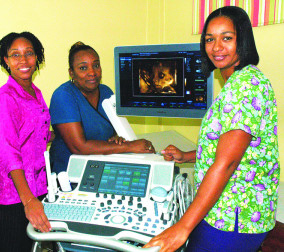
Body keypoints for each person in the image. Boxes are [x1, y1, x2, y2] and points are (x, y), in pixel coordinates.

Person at [144, 6, 280, 252]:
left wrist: (182, 227)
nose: (216, 47)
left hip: (232, 216)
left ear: (243, 40)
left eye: (226, 38)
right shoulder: (239, 81)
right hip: (226, 209)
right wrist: (187, 156)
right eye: (209, 39)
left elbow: (227, 163)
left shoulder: (245, 87)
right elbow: (233, 148)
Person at [0, 32, 53, 252]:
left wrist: (59, 134)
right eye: (15, 55)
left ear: (37, 58)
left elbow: (34, 135)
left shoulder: (35, 92)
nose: (23, 61)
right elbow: (9, 149)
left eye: (29, 53)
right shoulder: (6, 96)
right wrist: (29, 201)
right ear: (6, 60)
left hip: (36, 185)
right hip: (9, 193)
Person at [49, 42, 155, 174]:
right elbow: (79, 147)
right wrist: (130, 146)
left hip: (102, 169)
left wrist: (117, 138)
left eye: (96, 65)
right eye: (83, 68)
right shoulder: (63, 96)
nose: (92, 72)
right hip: (70, 173)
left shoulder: (106, 92)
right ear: (72, 73)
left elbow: (112, 130)